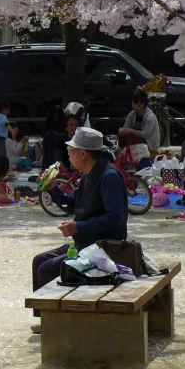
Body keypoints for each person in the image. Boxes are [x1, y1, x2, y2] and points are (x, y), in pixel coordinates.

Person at [31, 127, 128, 307]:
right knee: (39, 260)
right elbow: (70, 205)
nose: (68, 155)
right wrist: (52, 187)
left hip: (105, 247)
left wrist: (78, 227)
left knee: (47, 268)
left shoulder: (109, 176)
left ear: (83, 153)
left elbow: (116, 218)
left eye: (71, 151)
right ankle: (43, 317)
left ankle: (53, 319)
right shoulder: (86, 177)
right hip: (85, 243)